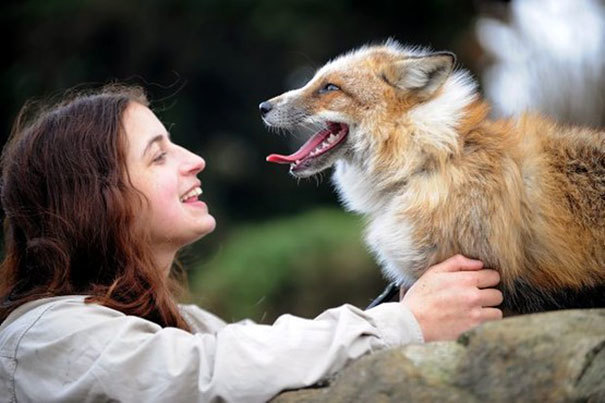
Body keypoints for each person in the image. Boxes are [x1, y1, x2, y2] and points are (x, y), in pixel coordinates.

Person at [0, 85, 503, 402]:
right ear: (96, 198)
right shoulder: (43, 339)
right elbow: (208, 371)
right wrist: (402, 322)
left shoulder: (179, 321)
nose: (193, 159)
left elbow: (255, 349)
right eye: (158, 157)